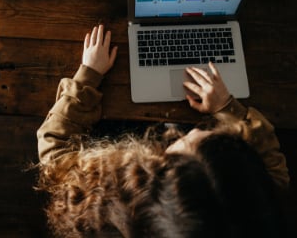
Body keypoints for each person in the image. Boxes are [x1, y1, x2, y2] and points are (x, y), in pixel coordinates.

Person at [36, 25, 290, 238]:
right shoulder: (264, 203)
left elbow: (54, 150)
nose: (192, 132)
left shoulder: (108, 211)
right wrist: (226, 107)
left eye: (184, 141)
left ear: (160, 178)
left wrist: (88, 77)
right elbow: (275, 171)